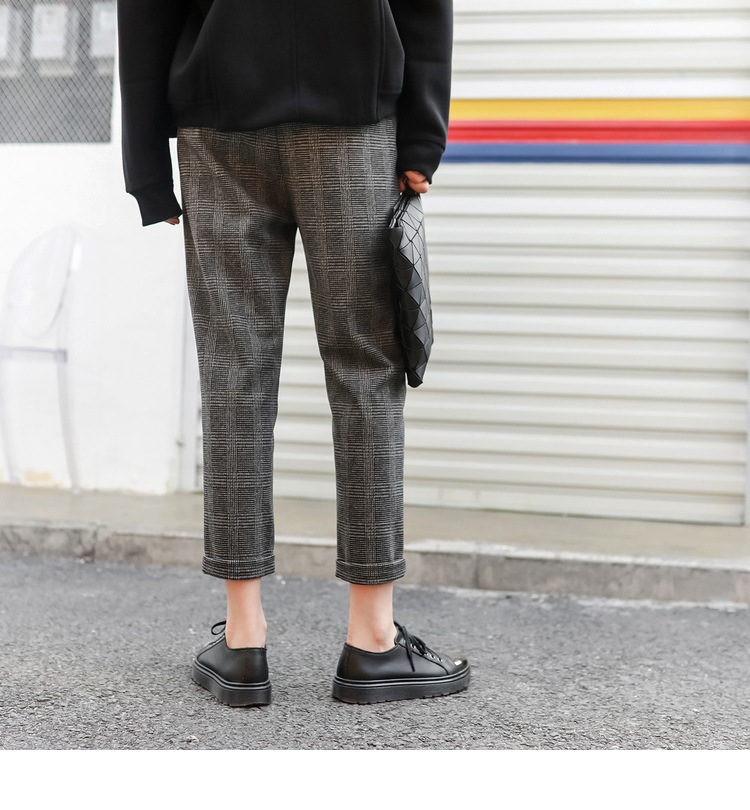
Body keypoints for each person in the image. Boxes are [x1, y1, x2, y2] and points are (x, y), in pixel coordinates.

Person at [116, 0, 470, 706]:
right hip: (353, 115)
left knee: (234, 372)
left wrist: (146, 164)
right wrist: (421, 137)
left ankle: (243, 640)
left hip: (218, 125)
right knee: (366, 369)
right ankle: (372, 641)